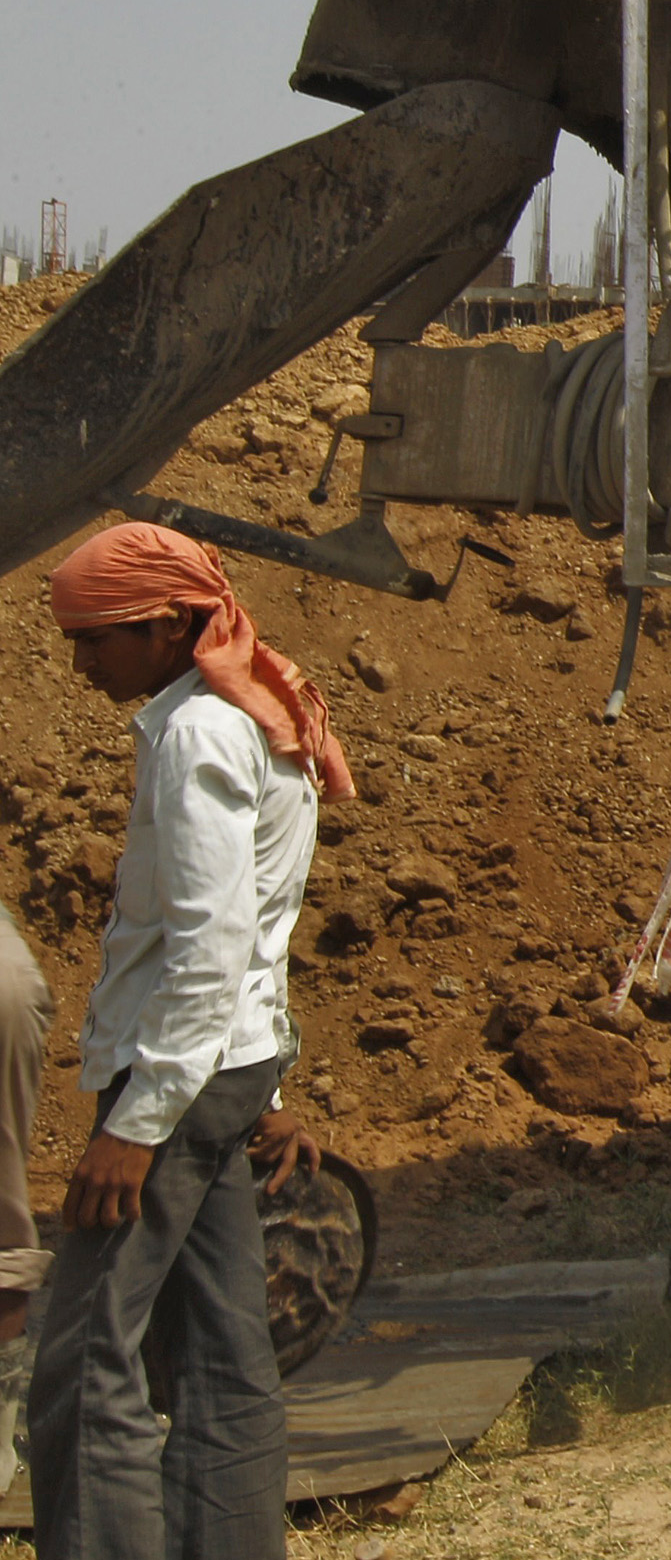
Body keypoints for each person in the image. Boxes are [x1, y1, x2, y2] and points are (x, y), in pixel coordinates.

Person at [35, 522, 335, 1559]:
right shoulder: (258, 705)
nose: (80, 663)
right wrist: (267, 1075)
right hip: (225, 1064)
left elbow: (210, 941)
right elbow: (265, 923)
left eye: (96, 639)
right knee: (219, 1344)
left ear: (168, 625)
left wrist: (139, 1121)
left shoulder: (202, 732)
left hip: (179, 1074)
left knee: (85, 1354)